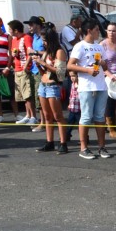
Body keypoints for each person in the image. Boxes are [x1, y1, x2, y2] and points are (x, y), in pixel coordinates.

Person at [67, 19, 116, 160]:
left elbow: (106, 67)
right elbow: (70, 65)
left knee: (100, 117)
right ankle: (84, 148)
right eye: (96, 30)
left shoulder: (99, 46)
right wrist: (86, 70)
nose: (98, 32)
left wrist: (102, 63)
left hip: (101, 85)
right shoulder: (80, 46)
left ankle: (102, 147)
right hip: (87, 86)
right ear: (89, 31)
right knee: (86, 117)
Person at [31, 25, 68, 154]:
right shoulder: (47, 52)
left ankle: (63, 143)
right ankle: (49, 141)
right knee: (46, 116)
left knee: (58, 116)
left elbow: (60, 73)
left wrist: (44, 63)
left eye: (45, 40)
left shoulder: (59, 52)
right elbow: (44, 72)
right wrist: (38, 64)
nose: (43, 42)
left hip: (53, 85)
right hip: (43, 84)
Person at [8, 19, 39, 126]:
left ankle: (33, 116)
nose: (9, 31)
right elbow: (14, 54)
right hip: (17, 69)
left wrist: (26, 66)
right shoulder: (14, 39)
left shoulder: (26, 38)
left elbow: (30, 52)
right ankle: (27, 115)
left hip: (24, 69)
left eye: (10, 29)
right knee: (22, 95)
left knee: (28, 94)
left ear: (16, 30)